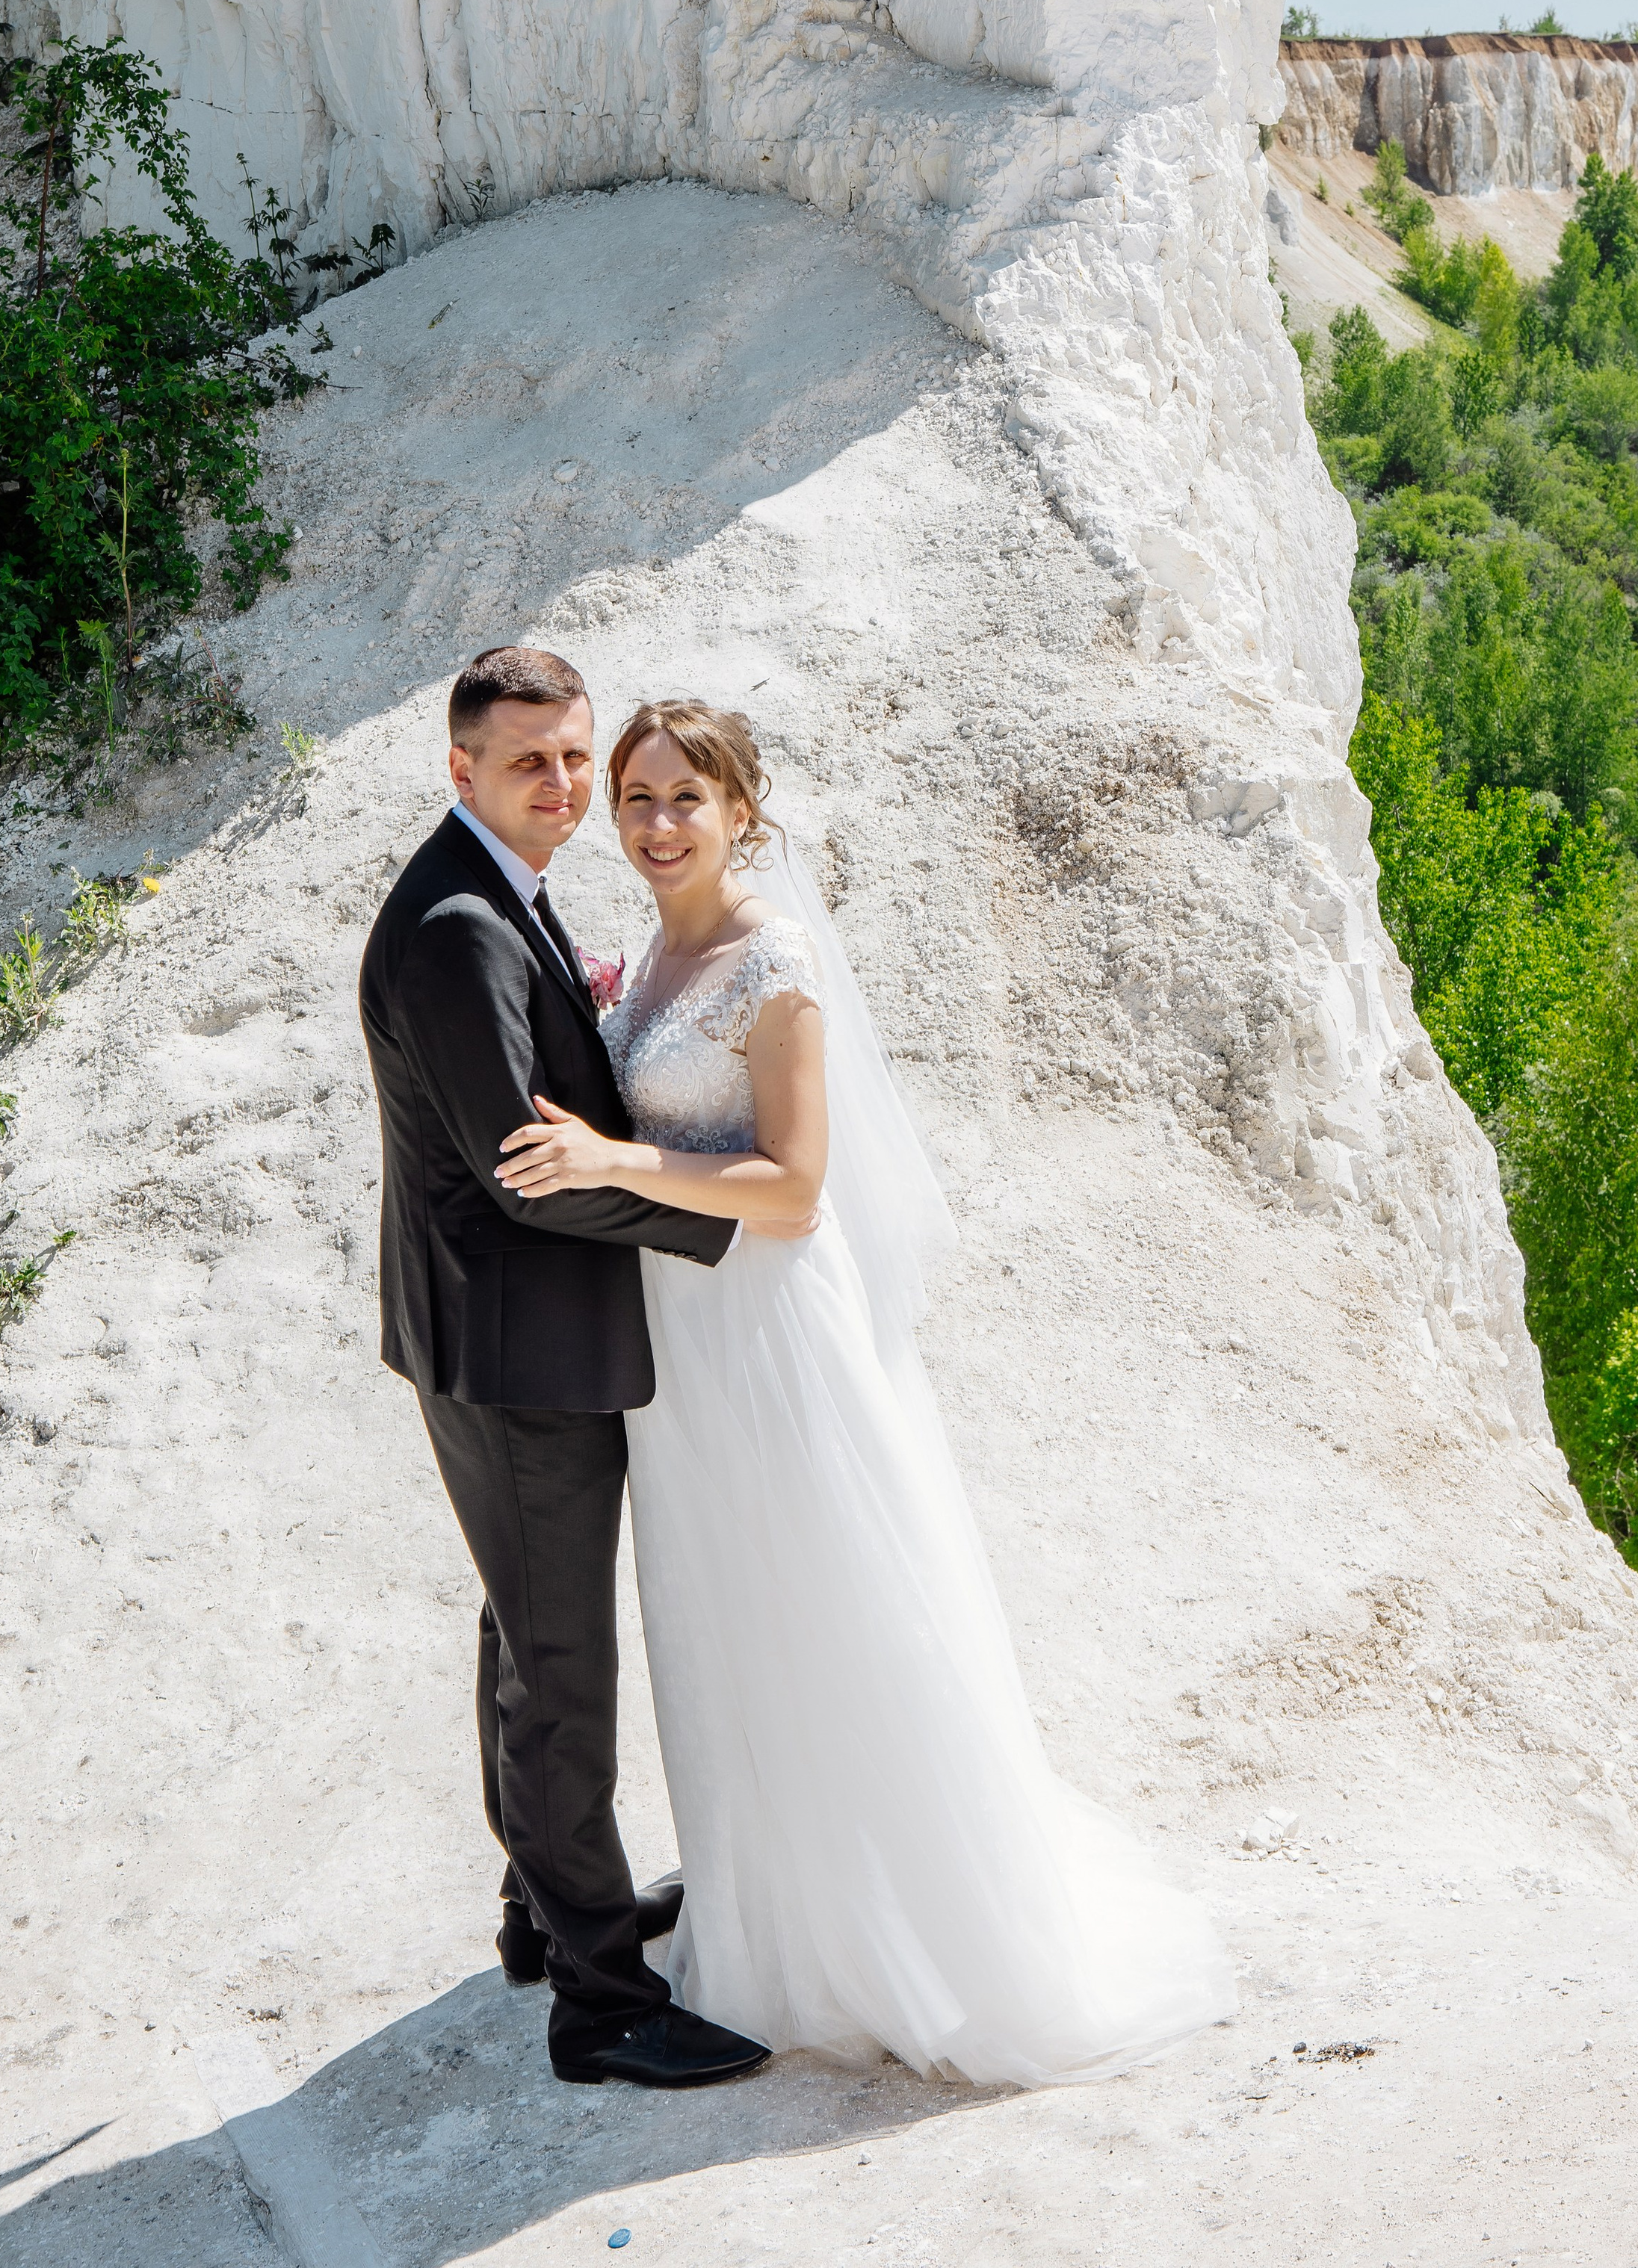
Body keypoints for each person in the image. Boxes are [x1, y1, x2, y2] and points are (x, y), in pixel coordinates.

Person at [495, 698, 1234, 2084]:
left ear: (741, 811)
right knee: (726, 1628)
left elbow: (794, 1189)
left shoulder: (774, 961)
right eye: (638, 798)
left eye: (687, 798)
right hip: (680, 1345)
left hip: (770, 1331)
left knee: (827, 1608)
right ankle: (783, 1918)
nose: (658, 823)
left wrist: (615, 1162)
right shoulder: (647, 960)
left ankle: (926, 1939)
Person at [358, 647, 776, 2092]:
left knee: (523, 1628)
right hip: (513, 1348)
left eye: (573, 756)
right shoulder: (458, 926)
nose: (561, 782)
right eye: (527, 758)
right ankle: (599, 2004)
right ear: (460, 767)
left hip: (492, 1332)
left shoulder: (500, 889)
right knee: (559, 1668)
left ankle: (540, 1912)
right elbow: (526, 1177)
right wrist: (716, 1220)